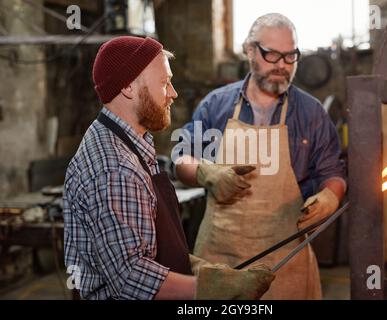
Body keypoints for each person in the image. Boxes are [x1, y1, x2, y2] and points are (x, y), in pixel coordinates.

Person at [63, 36, 275, 300]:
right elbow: (130, 277)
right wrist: (208, 289)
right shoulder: (114, 168)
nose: (173, 93)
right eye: (164, 83)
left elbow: (144, 243)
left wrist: (200, 269)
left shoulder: (127, 141)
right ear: (129, 87)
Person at [175, 13, 346, 299]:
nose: (281, 65)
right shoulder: (216, 105)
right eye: (272, 55)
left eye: (290, 56)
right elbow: (182, 159)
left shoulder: (311, 113)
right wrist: (206, 172)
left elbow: (333, 173)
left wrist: (331, 197)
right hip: (223, 262)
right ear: (250, 50)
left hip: (286, 261)